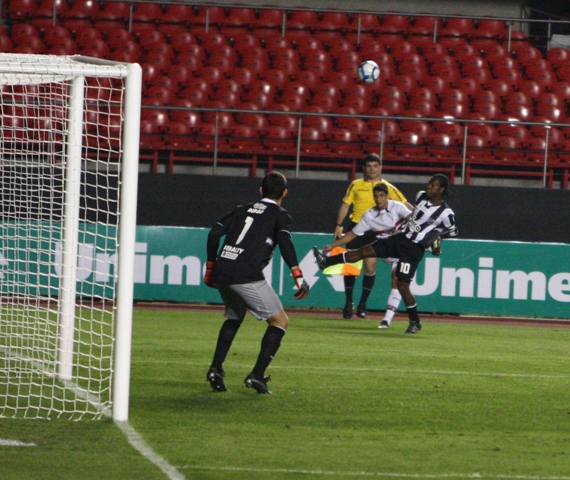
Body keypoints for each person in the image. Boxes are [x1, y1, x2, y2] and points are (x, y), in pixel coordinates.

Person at [204, 172, 309, 394]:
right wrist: (297, 274)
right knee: (280, 321)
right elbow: (284, 241)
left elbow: (214, 233)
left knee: (234, 316)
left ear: (261, 191)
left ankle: (215, 369)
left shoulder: (241, 209)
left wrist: (211, 265)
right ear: (285, 193)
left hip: (224, 268)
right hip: (245, 273)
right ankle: (257, 375)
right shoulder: (280, 214)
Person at [314, 174, 457, 334]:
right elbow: (414, 216)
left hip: (413, 249)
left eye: (433, 186)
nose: (428, 187)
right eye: (429, 184)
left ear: (441, 189)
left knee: (403, 286)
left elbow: (452, 231)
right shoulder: (420, 196)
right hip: (400, 238)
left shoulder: (446, 213)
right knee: (366, 251)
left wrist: (435, 237)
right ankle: (327, 262)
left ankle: (415, 321)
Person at [323, 183, 412, 328]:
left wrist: (403, 231)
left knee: (397, 281)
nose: (378, 199)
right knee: (361, 253)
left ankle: (386, 320)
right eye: (375, 196)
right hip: (385, 249)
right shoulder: (369, 215)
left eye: (381, 196)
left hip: (402, 250)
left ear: (387, 196)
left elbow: (413, 219)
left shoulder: (397, 207)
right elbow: (352, 234)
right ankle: (329, 261)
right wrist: (333, 245)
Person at [334, 153, 411, 320]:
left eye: (375, 166)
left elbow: (405, 205)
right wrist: (338, 225)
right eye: (369, 166)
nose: (372, 169)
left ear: (380, 168)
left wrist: (421, 219)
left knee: (370, 267)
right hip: (356, 227)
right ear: (364, 168)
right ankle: (348, 303)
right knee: (351, 267)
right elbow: (346, 205)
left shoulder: (387, 187)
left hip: (375, 231)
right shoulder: (355, 185)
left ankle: (363, 304)